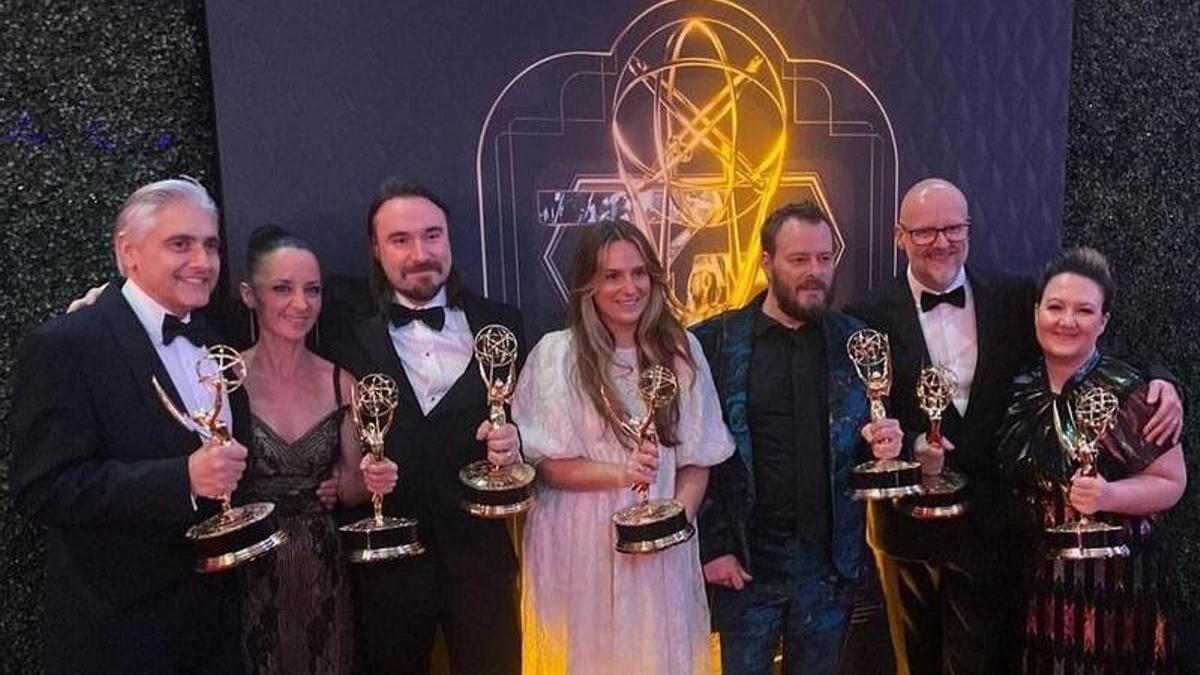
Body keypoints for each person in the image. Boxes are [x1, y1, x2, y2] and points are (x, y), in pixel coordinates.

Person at [846, 178, 1183, 674]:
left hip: (998, 530)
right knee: (912, 664)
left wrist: (1164, 378)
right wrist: (911, 443)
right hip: (906, 530)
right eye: (924, 231)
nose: (941, 241)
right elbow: (855, 411)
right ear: (899, 236)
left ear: (970, 231)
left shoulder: (1014, 296)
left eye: (953, 228)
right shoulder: (865, 313)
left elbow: (1088, 342)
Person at [10, 178, 250, 673]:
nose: (203, 262)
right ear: (129, 252)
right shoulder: (67, 345)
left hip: (215, 633)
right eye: (180, 244)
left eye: (211, 245)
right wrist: (180, 479)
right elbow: (43, 488)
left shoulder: (216, 346)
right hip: (120, 641)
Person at [511, 219, 735, 674]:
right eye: (612, 275)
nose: (628, 287)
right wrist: (622, 475)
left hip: (660, 553)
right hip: (578, 546)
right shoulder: (557, 355)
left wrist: (673, 521)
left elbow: (698, 459)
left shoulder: (681, 351)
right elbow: (547, 465)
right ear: (587, 286)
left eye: (638, 273)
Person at [325, 178, 524, 675]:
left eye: (432, 235)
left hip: (482, 565)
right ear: (375, 249)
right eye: (400, 240)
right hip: (386, 569)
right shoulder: (339, 332)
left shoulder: (504, 325)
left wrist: (516, 443)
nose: (420, 253)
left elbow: (535, 424)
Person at [693, 201, 899, 675]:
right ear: (766, 262)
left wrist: (889, 442)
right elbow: (692, 451)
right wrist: (714, 546)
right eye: (799, 260)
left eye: (825, 259)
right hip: (744, 568)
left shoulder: (859, 343)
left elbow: (876, 445)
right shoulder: (714, 344)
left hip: (827, 569)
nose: (815, 273)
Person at [997, 247, 1185, 673]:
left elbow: (1172, 482)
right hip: (1040, 586)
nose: (1066, 321)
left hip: (1116, 591)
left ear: (1103, 322)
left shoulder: (1136, 392)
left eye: (1084, 310)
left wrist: (1109, 494)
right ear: (1036, 313)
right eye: (1055, 307)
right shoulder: (1018, 385)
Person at [235, 225, 397, 674]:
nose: (301, 304)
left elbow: (354, 488)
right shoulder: (222, 380)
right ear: (250, 294)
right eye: (282, 289)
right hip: (245, 571)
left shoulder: (341, 382)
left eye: (313, 290)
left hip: (322, 569)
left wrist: (371, 479)